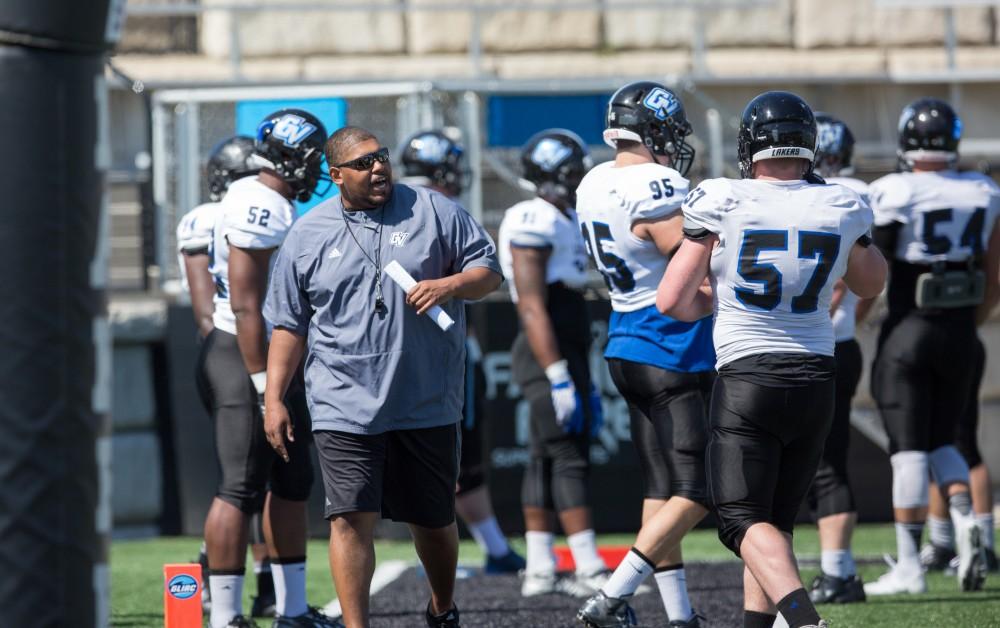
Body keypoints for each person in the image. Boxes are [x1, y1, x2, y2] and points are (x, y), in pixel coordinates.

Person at [656, 91, 887, 628]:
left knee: (740, 520)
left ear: (750, 146)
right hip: (816, 373)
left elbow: (672, 300)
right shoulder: (842, 202)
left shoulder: (722, 197)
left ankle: (807, 621)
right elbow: (871, 281)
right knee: (774, 521)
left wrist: (716, 297)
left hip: (749, 374)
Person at [262, 125, 502, 628]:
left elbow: (489, 272)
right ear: (335, 175)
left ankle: (442, 608)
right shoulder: (307, 234)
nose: (378, 169)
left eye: (381, 157)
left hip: (425, 398)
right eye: (364, 163)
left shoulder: (434, 209)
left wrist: (450, 284)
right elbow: (289, 323)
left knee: (434, 524)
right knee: (349, 519)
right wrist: (275, 398)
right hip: (341, 400)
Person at [573, 82, 715, 628]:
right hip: (671, 346)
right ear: (654, 131)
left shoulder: (594, 180)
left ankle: (680, 616)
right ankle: (614, 594)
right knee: (698, 489)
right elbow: (687, 267)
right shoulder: (660, 184)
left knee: (662, 490)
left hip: (625, 343)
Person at [199, 109, 340, 628]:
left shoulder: (267, 199)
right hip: (244, 354)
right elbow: (247, 305)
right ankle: (226, 616)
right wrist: (265, 386)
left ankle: (293, 609)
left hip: (265, 355)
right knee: (240, 485)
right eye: (307, 158)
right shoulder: (259, 202)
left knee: (291, 479)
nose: (314, 170)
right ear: (286, 157)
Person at [864, 98, 1000, 596]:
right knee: (946, 440)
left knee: (908, 451)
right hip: (961, 331)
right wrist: (969, 321)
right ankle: (967, 523)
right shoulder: (984, 191)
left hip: (908, 329)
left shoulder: (895, 190)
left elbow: (871, 268)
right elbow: (994, 273)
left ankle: (909, 565)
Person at [398, 129, 526, 574]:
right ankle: (479, 552)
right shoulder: (443, 211)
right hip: (441, 353)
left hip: (383, 356)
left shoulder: (380, 208)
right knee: (453, 455)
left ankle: (492, 548)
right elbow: (483, 276)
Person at [498, 129, 608, 598]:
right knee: (568, 453)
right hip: (546, 350)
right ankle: (588, 567)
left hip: (564, 344)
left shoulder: (563, 215)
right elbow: (531, 305)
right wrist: (558, 373)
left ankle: (541, 567)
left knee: (545, 457)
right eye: (570, 171)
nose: (579, 177)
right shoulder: (532, 217)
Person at [176, 135, 277, 618]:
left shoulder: (217, 213)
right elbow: (210, 310)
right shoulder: (237, 213)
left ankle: (260, 581)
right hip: (238, 354)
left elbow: (205, 315)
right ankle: (225, 585)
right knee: (241, 482)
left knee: (252, 480)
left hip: (227, 353)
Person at [803, 113, 870, 605]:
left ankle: (838, 571)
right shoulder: (850, 194)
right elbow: (867, 283)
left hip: (814, 345)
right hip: (838, 343)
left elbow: (843, 280)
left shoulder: (825, 196)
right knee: (826, 462)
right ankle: (836, 569)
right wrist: (850, 319)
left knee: (824, 464)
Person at [921, 337, 998, 574]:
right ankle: (942, 543)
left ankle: (983, 545)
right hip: (950, 339)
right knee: (935, 446)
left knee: (962, 447)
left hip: (948, 340)